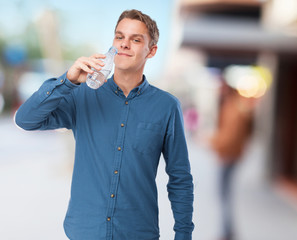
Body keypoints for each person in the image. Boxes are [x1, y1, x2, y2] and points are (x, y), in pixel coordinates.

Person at [15, 9, 194, 240]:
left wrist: (183, 234)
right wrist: (67, 81)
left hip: (137, 233)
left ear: (152, 51)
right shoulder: (81, 95)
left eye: (136, 39)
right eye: (119, 37)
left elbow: (180, 177)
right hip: (84, 232)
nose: (125, 44)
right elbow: (25, 120)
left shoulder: (167, 106)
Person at [210, 80, 255, 240]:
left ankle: (227, 230)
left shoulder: (233, 109)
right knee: (224, 194)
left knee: (224, 194)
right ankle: (227, 229)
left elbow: (229, 137)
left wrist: (211, 142)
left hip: (228, 156)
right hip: (230, 155)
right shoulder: (234, 107)